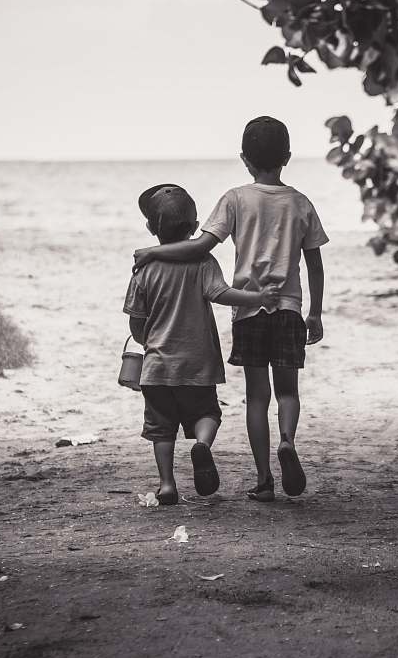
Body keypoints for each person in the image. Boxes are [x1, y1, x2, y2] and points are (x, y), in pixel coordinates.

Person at [133, 116, 327, 502]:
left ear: (244, 159)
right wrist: (315, 312)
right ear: (287, 156)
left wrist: (153, 250)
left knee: (257, 396)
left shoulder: (235, 199)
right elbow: (315, 264)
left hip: (250, 314)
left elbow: (199, 247)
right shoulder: (301, 202)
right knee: (287, 391)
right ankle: (287, 440)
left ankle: (264, 479)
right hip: (287, 308)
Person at [125, 183, 279, 505]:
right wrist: (257, 297)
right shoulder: (203, 261)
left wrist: (143, 339)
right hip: (198, 365)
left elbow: (136, 321)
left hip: (157, 368)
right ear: (195, 228)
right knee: (208, 413)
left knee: (161, 430)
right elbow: (220, 294)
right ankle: (202, 446)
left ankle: (167, 485)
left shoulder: (144, 268)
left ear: (151, 229)